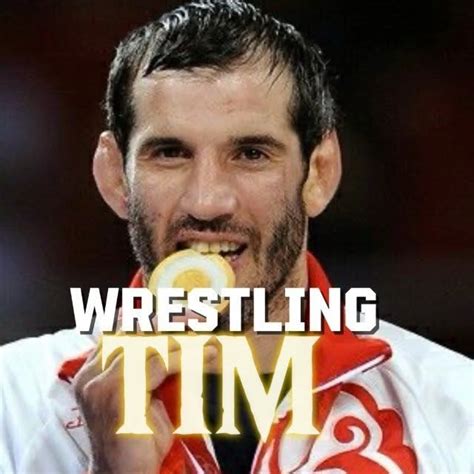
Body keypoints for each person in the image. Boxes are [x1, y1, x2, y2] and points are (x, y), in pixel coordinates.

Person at [0, 1, 472, 473]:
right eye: (169, 153)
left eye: (250, 154)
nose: (207, 202)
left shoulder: (456, 412)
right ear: (115, 177)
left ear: (320, 173)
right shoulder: (11, 406)